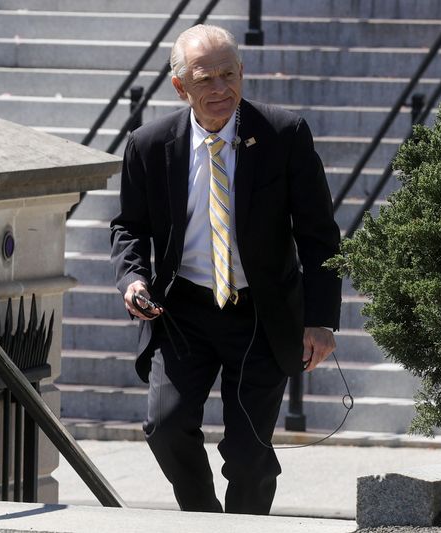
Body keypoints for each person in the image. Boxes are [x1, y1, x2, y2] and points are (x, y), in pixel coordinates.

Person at [110, 24, 341, 515]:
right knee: (166, 428)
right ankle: (206, 523)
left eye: (229, 74)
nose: (220, 89)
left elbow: (319, 234)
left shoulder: (283, 135)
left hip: (261, 313)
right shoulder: (149, 145)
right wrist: (133, 278)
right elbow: (129, 226)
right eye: (206, 79)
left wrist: (320, 320)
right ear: (181, 87)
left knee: (249, 453)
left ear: (242, 72)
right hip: (183, 312)